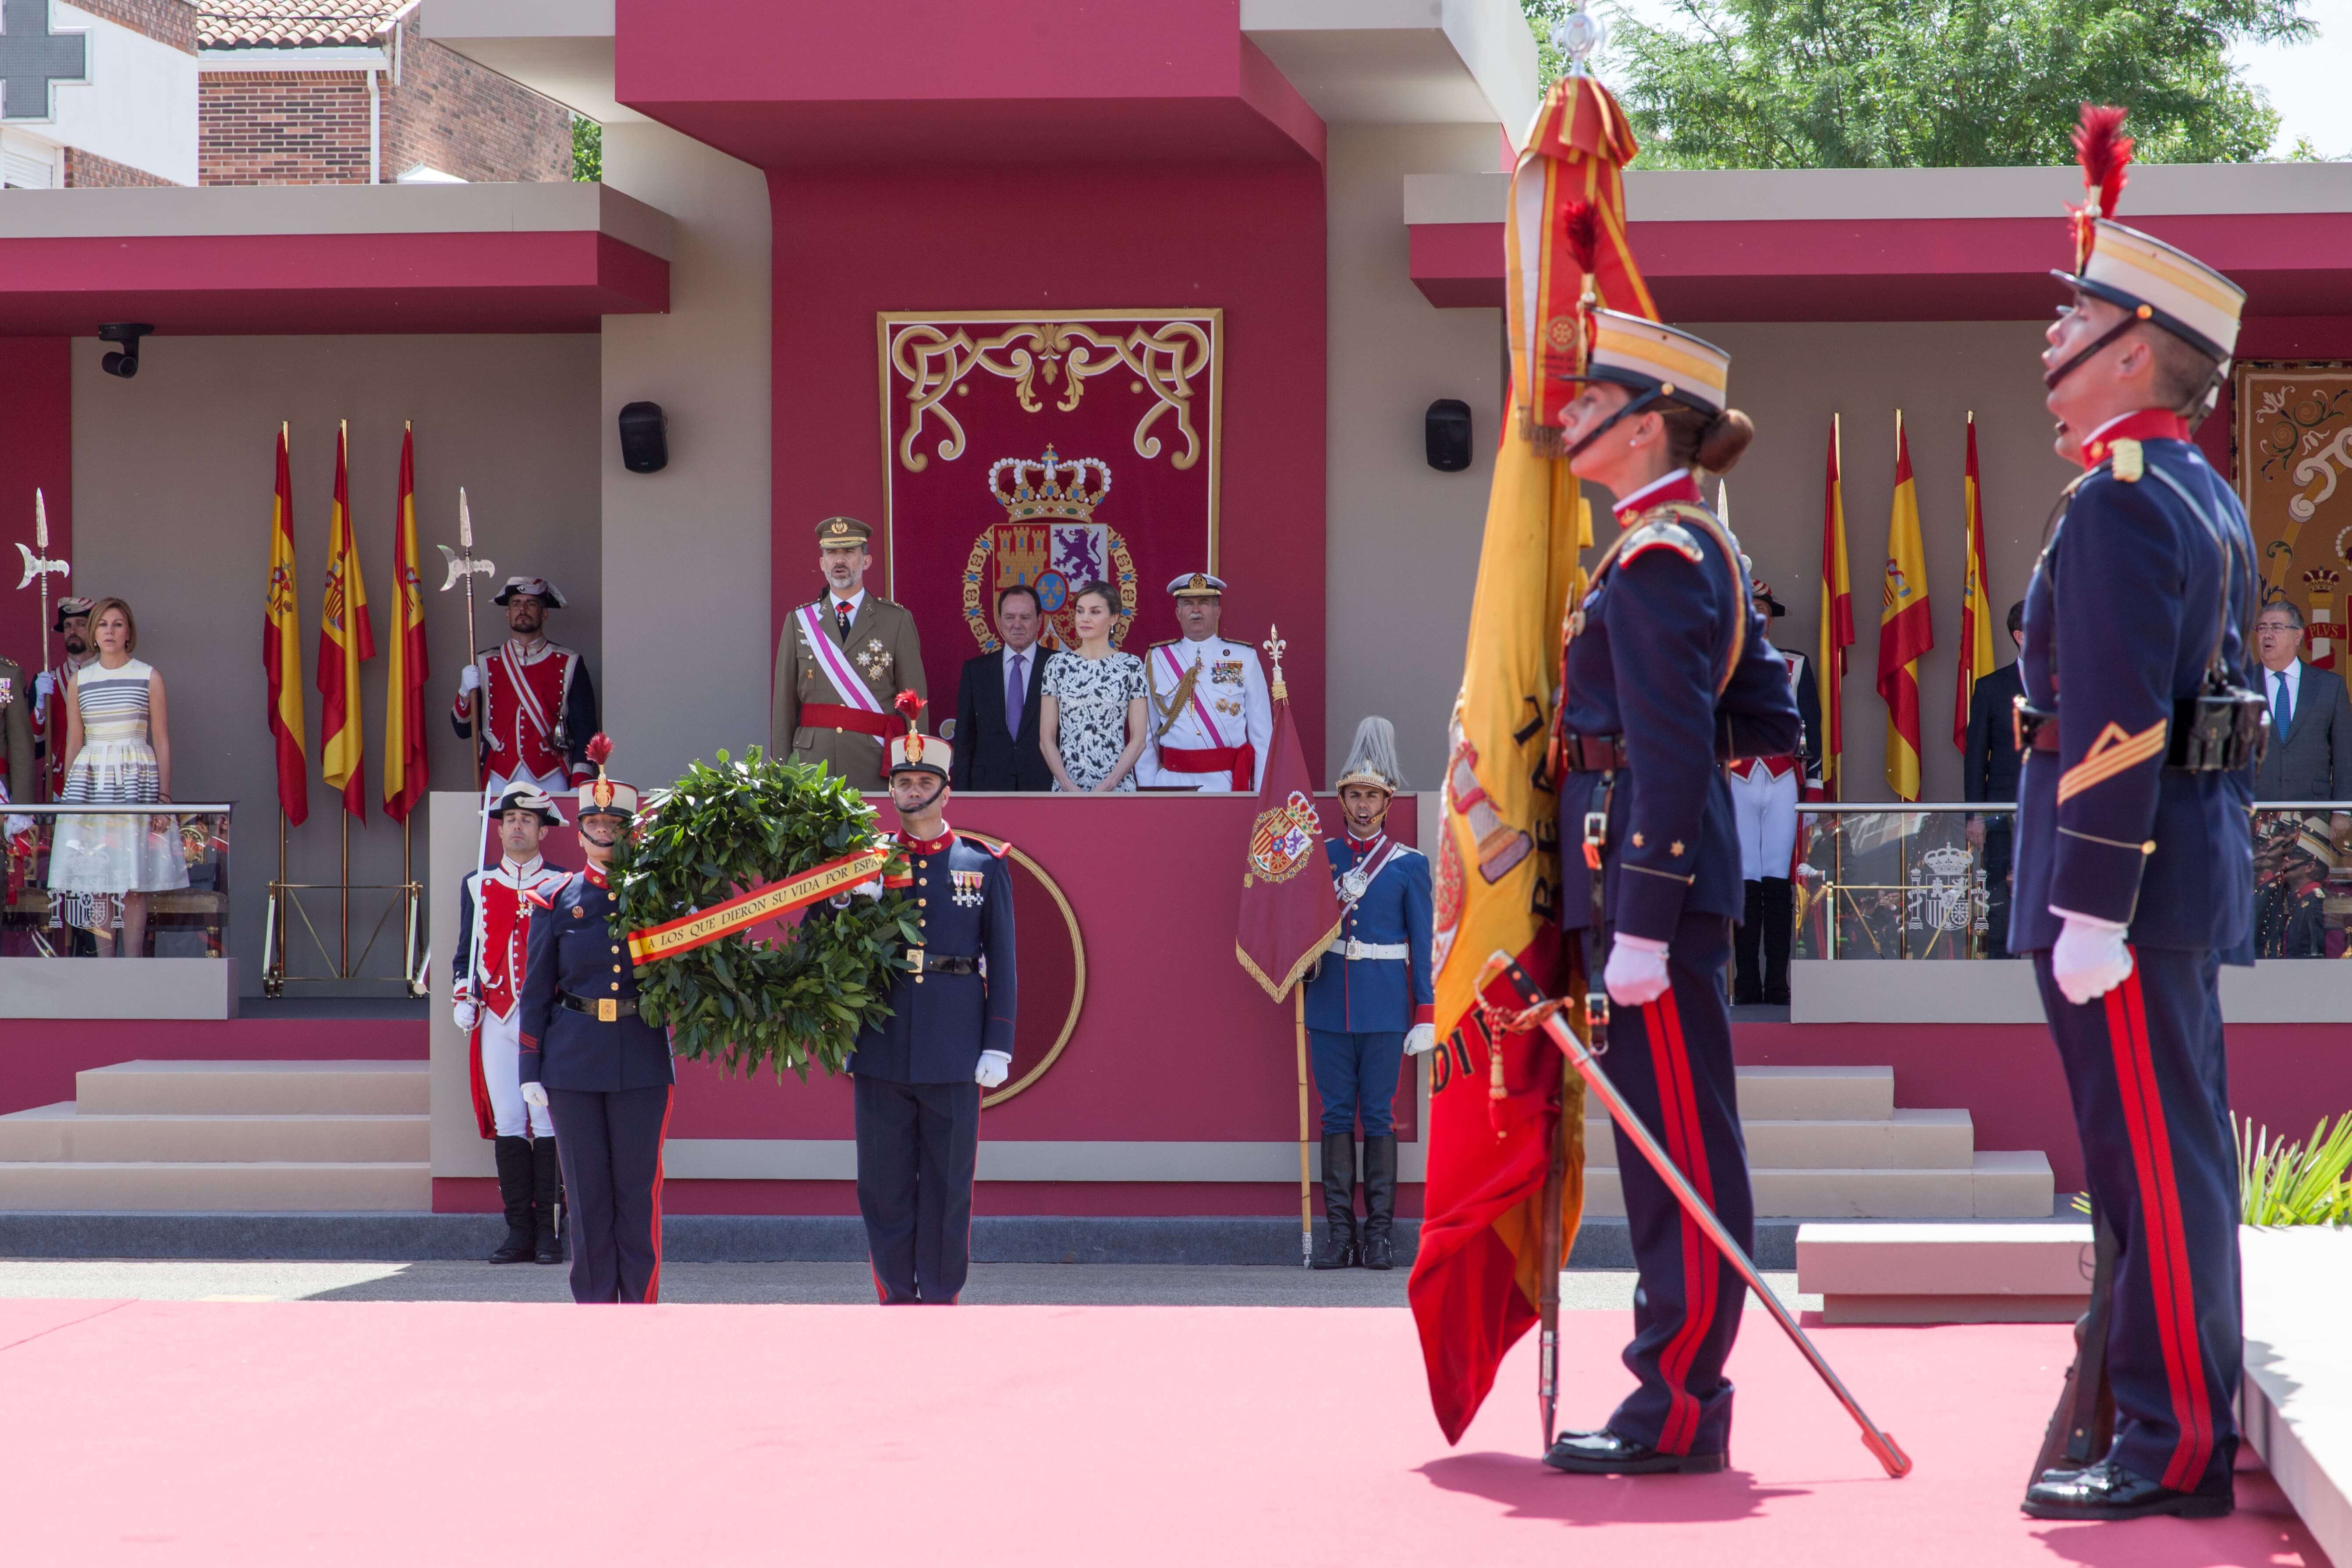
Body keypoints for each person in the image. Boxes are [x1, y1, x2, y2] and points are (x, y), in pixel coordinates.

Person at [2012, 112, 2258, 1523]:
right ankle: (2157, 1419)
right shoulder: (2188, 488)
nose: (2053, 329)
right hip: (2176, 873)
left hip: (2129, 884)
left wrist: (2089, 899)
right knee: (2169, 1158)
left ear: (2130, 350)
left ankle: (2167, 1446)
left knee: (2153, 1171)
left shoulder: (2118, 502)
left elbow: (2113, 715)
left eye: (2078, 310)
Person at [1545, 309, 1799, 1477]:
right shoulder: (1689, 547)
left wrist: (1640, 914)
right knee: (1664, 1144)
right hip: (1645, 869)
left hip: (1644, 880)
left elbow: (1662, 738)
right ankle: (1672, 1386)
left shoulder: (1657, 559)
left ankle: (1679, 1401)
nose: (1564, 414)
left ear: (1643, 427)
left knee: (1676, 1151)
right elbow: (1765, 714)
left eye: (1587, 400)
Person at [846, 695, 1016, 1304]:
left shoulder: (981, 863)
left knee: (947, 1183)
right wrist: (843, 902)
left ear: (946, 791)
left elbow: (1004, 958)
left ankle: (940, 1296)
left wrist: (997, 1040)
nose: (911, 789)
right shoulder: (867, 861)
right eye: (902, 780)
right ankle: (896, 1293)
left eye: (924, 780)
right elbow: (828, 952)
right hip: (881, 1041)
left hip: (953, 1042)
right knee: (884, 1183)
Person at [517, 736, 675, 1305]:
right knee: (586, 1195)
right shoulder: (556, 899)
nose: (604, 829)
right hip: (572, 1062)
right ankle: (592, 1310)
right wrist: (528, 1066)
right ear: (579, 830)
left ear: (630, 829)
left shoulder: (658, 897)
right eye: (594, 821)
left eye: (614, 821)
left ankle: (639, 1306)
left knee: (636, 1194)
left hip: (641, 1054)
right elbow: (535, 989)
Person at [1303, 717, 1435, 1272]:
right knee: (1336, 1117)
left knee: (1378, 1118)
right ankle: (1340, 1235)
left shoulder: (1409, 864)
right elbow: (1300, 927)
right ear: (1343, 799)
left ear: (1387, 801)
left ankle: (1380, 1236)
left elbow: (1424, 942)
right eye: (1354, 795)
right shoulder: (1321, 856)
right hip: (1329, 1002)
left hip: (1384, 1007)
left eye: (1372, 796)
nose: (1362, 805)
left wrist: (1425, 1009)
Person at [453, 784, 572, 1265]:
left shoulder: (563, 883)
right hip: (496, 1019)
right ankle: (518, 1231)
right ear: (498, 828)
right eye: (509, 818)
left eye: (527, 818)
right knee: (509, 1120)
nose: (517, 825)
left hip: (546, 1021)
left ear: (544, 829)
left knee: (546, 1121)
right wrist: (464, 994)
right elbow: (467, 953)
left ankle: (550, 1232)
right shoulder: (477, 885)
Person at [48, 599, 186, 958]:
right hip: (90, 785)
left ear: (129, 633)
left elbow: (162, 740)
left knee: (133, 883)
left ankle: (133, 968)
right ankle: (106, 972)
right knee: (98, 883)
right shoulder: (81, 679)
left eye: (118, 624)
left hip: (135, 783)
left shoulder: (149, 675)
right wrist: (68, 803)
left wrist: (164, 799)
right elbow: (75, 741)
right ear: (95, 633)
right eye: (103, 625)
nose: (109, 631)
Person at [772, 515, 927, 789]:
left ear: (866, 561)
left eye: (848, 552)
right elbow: (785, 707)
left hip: (873, 765)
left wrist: (915, 773)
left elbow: (914, 706)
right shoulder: (799, 622)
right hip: (811, 766)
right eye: (831, 552)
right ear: (822, 564)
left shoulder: (896, 620)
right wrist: (784, 776)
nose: (839, 560)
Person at [1727, 576, 1820, 1004]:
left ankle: (1778, 982)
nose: (1757, 615)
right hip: (1739, 776)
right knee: (1745, 882)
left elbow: (1812, 727)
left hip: (1784, 777)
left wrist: (1814, 789)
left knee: (1778, 881)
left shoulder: (1795, 663)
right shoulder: (1721, 660)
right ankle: (1746, 981)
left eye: (1763, 608)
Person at [452, 577, 598, 798]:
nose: (523, 609)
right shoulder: (485, 662)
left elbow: (585, 730)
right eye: (516, 604)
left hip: (552, 775)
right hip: (499, 776)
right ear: (508, 613)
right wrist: (464, 693)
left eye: (531, 604)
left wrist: (580, 784)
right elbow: (463, 730)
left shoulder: (570, 662)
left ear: (544, 613)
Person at [1135, 572, 1271, 791]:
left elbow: (1262, 735)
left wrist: (1260, 796)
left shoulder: (1244, 657)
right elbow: (1146, 735)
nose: (1196, 610)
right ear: (1178, 613)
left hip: (1227, 784)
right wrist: (1149, 790)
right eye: (1188, 604)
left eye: (1204, 603)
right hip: (1172, 783)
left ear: (1218, 612)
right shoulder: (1158, 659)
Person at [1963, 602, 2029, 958]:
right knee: (1999, 893)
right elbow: (1976, 759)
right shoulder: (1990, 687)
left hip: (2056, 811)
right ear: (2019, 636)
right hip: (2002, 811)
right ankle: (2002, 973)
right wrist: (1974, 815)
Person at [1039, 581, 1147, 793]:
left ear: (1114, 618)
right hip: (1067, 789)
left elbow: (1139, 740)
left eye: (1095, 612)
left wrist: (1108, 785)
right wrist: (1068, 786)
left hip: (1117, 788)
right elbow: (1046, 738)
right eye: (1080, 611)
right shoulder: (1057, 665)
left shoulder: (1131, 666)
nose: (1085, 618)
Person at [951, 583, 1057, 791]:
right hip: (988, 789)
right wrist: (962, 798)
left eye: (1025, 618)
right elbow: (965, 741)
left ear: (1039, 621)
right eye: (1010, 617)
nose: (1017, 625)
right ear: (999, 621)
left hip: (1045, 788)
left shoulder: (1059, 666)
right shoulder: (976, 671)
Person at [31, 596, 96, 799]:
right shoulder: (47, 680)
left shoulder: (112, 677)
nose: (72, 631)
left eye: (80, 624)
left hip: (104, 780)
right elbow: (35, 743)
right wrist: (40, 706)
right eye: (68, 626)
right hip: (60, 784)